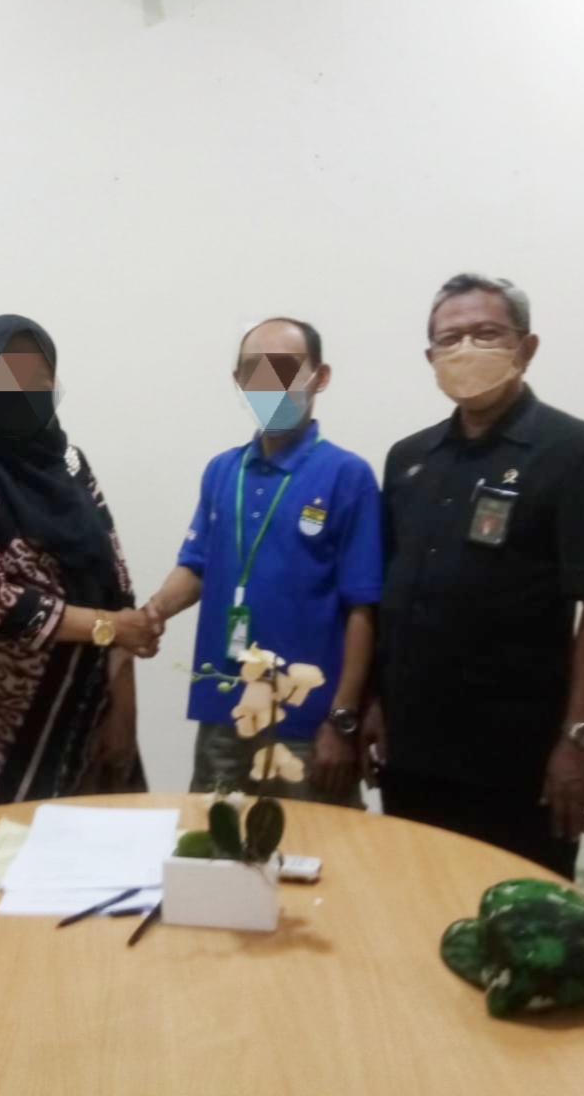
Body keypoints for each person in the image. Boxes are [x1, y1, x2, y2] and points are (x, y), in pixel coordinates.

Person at [371, 273, 584, 879]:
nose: (466, 349)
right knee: (416, 900)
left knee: (517, 912)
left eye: (487, 333)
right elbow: (393, 593)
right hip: (412, 750)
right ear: (430, 356)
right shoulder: (410, 459)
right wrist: (374, 704)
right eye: (450, 338)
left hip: (520, 755)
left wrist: (580, 740)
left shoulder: (583, 454)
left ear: (526, 346)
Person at [0, 315, 158, 812]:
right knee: (1, 854)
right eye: (9, 377)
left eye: (39, 379)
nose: (26, 391)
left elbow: (118, 586)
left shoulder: (71, 464)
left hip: (95, 715)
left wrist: (123, 712)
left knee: (110, 851)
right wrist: (111, 627)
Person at [145, 318, 381, 805]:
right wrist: (149, 614)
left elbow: (364, 607)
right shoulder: (222, 470)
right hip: (223, 710)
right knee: (212, 844)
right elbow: (196, 566)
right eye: (255, 370)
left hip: (309, 723)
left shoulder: (348, 475)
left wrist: (343, 719)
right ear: (238, 380)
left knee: (314, 847)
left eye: (285, 369)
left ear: (320, 377)